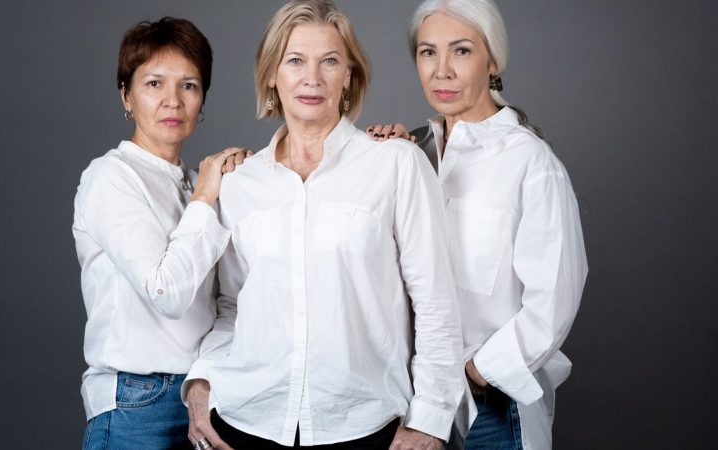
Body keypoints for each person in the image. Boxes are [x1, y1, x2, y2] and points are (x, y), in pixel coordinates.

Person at [182, 1, 467, 449]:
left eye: (329, 61)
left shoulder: (396, 163)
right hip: (248, 423)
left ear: (349, 75)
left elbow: (435, 304)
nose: (312, 77)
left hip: (364, 426)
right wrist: (201, 386)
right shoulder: (240, 182)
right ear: (272, 73)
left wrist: (430, 421)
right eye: (295, 60)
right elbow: (233, 306)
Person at [366, 1, 588, 449]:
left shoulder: (530, 163)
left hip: (492, 408)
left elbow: (554, 302)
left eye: (461, 51)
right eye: (428, 53)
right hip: (405, 402)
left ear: (493, 61)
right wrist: (373, 163)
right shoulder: (411, 154)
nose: (442, 70)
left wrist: (473, 372)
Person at [72, 17, 249, 449]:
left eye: (189, 85)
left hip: (202, 396)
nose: (172, 100)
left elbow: (228, 302)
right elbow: (166, 292)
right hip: (136, 403)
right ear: (125, 95)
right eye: (154, 84)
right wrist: (208, 194)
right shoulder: (110, 177)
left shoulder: (194, 182)